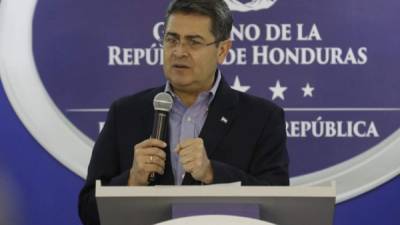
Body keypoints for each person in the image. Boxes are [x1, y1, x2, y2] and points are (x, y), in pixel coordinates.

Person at [78, 0, 289, 224]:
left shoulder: (262, 117)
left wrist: (212, 173)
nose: (179, 51)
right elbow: (88, 209)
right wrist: (132, 180)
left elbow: (277, 205)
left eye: (193, 42)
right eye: (172, 39)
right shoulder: (125, 113)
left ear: (222, 50)